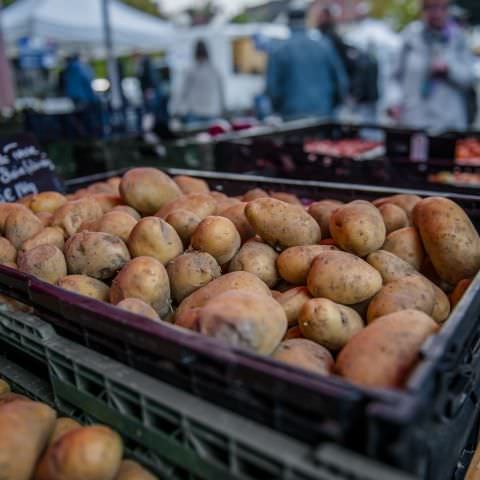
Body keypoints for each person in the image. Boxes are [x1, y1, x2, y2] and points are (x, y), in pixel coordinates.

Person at [388, 0, 474, 132]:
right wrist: (394, 102)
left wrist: (449, 69)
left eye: (442, 8)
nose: (436, 13)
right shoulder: (411, 35)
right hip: (413, 121)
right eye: (430, 7)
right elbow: (393, 76)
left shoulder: (458, 38)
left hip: (448, 124)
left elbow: (469, 78)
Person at [266, 0, 348, 120]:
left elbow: (272, 87)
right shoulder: (324, 46)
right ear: (306, 20)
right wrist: (333, 105)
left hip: (292, 117)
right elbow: (341, 81)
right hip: (324, 115)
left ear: (288, 21)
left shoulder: (279, 50)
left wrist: (278, 109)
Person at [178, 40, 225, 124]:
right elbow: (184, 92)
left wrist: (222, 107)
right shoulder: (190, 70)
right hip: (195, 112)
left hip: (210, 112)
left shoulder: (214, 69)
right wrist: (181, 109)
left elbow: (221, 90)